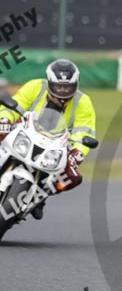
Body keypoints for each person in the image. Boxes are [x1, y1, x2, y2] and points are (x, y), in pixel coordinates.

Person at [0, 59, 96, 218]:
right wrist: (4, 119)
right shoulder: (35, 86)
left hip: (57, 145)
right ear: (50, 82)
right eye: (59, 86)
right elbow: (16, 105)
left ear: (76, 85)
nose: (63, 91)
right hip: (24, 133)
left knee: (69, 177)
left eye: (67, 87)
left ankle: (40, 197)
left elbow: (84, 133)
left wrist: (77, 155)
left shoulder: (83, 102)